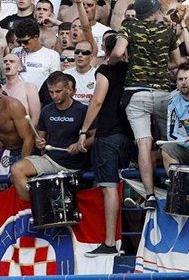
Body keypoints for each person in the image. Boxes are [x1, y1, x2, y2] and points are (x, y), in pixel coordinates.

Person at [109, 0, 181, 210]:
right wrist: (158, 68)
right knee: (168, 143)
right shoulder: (166, 31)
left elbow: (118, 52)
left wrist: (112, 61)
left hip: (135, 94)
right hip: (162, 93)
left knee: (143, 143)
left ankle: (149, 195)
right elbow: (177, 62)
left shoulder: (129, 28)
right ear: (153, 12)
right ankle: (176, 189)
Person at [77, 34, 131, 256]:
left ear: (105, 51)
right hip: (129, 136)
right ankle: (127, 244)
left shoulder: (105, 71)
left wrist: (83, 131)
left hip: (108, 135)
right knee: (127, 188)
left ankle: (110, 243)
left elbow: (97, 100)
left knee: (109, 188)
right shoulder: (132, 71)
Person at [11, 71, 90, 200]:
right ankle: (36, 208)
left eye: (58, 91)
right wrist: (40, 143)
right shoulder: (47, 110)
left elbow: (95, 136)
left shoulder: (82, 110)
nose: (54, 96)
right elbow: (40, 140)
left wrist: (80, 144)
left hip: (74, 165)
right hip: (50, 160)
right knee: (17, 170)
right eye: (51, 92)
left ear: (68, 89)